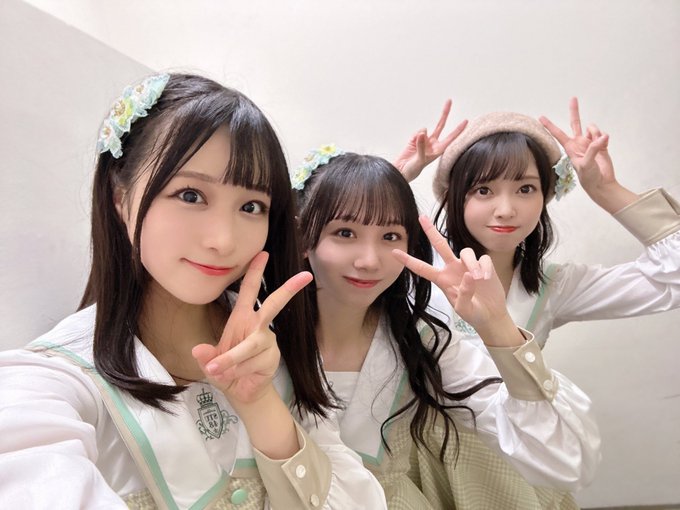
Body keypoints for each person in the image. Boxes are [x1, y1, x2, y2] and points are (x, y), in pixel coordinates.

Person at [0, 73, 387, 509]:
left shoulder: (274, 343)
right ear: (120, 198)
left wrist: (260, 403)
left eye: (251, 206)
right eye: (190, 195)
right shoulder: (56, 378)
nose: (223, 240)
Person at [292, 148, 601, 508]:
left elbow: (563, 456)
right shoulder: (266, 336)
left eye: (390, 236)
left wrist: (497, 325)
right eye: (345, 233)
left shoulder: (418, 339)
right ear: (303, 238)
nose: (369, 260)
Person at [396, 98, 680, 351]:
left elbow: (673, 281)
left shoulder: (553, 287)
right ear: (454, 197)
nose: (506, 211)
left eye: (525, 189)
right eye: (483, 190)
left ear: (545, 196)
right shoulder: (410, 262)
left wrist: (606, 190)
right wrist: (392, 180)